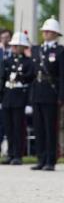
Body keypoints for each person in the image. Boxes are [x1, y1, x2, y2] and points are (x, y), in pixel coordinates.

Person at [30, 17, 64, 171]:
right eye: (44, 31)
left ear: (55, 33)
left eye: (48, 31)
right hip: (38, 91)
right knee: (38, 127)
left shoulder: (61, 52)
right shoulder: (37, 50)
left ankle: (50, 159)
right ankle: (40, 158)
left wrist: (62, 96)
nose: (45, 33)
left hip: (51, 93)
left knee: (50, 127)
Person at [0, 32, 34, 165]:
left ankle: (18, 155)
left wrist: (28, 102)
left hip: (20, 97)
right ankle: (10, 153)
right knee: (8, 127)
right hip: (8, 96)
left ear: (23, 47)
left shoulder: (28, 62)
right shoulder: (6, 61)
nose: (14, 48)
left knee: (18, 127)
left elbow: (30, 79)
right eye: (13, 45)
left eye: (17, 45)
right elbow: (2, 80)